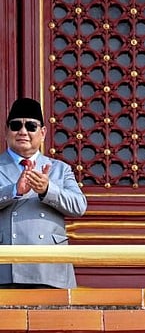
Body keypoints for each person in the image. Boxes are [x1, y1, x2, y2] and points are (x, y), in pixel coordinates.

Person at [0, 97, 87, 288]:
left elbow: (79, 206)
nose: (23, 132)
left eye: (31, 126)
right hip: (5, 266)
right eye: (16, 126)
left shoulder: (59, 169)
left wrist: (47, 190)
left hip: (49, 267)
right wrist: (14, 190)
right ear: (6, 131)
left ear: (43, 132)